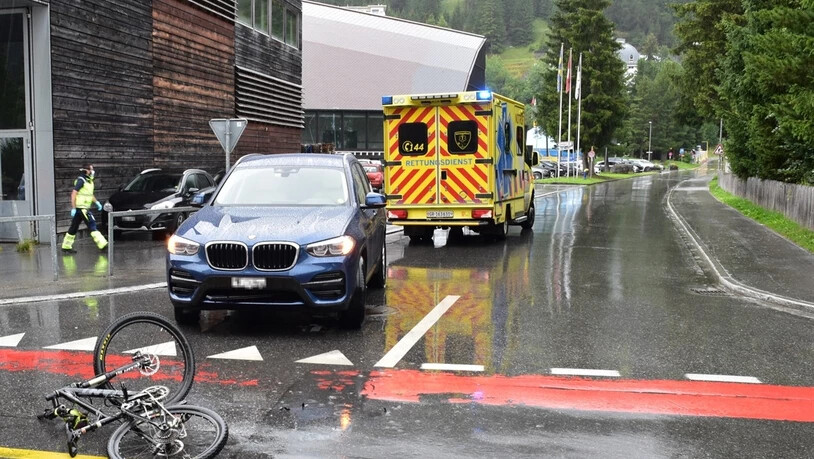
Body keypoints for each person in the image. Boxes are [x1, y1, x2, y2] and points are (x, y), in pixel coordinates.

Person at [61, 164, 108, 254]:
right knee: (92, 224)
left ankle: (66, 246)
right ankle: (102, 244)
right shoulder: (81, 180)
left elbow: (89, 195)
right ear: (87, 171)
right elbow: (73, 194)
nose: (93, 171)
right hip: (82, 208)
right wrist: (73, 208)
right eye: (91, 169)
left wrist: (96, 202)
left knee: (74, 227)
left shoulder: (89, 181)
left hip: (82, 208)